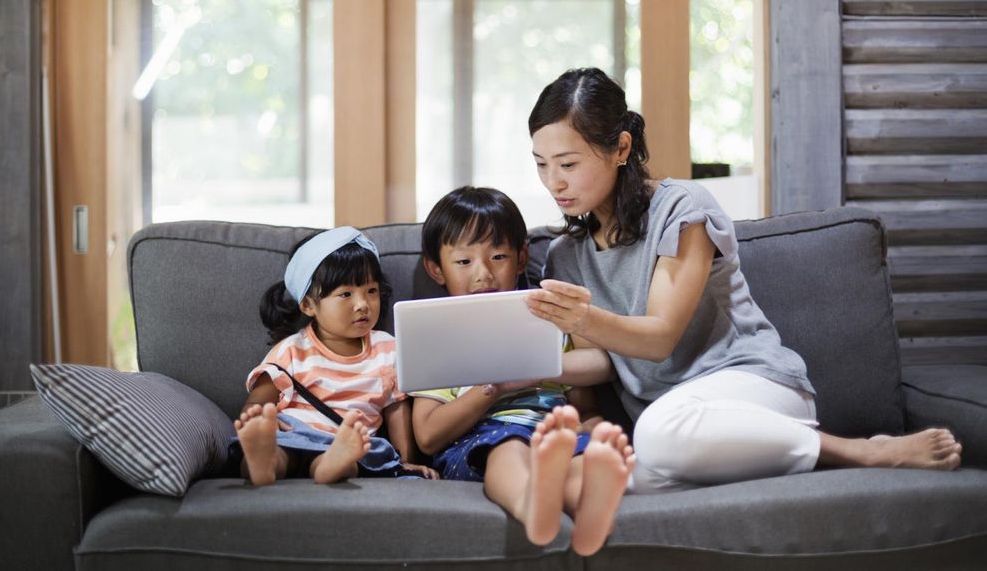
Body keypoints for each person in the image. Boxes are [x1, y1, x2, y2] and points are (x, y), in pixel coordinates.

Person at [523, 67, 962, 494]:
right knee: (624, 475)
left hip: (754, 388)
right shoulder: (566, 256)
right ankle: (747, 457)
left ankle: (858, 451)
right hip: (681, 425)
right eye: (542, 165)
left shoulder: (682, 209)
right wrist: (517, 373)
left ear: (621, 148)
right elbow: (603, 362)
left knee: (656, 436)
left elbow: (658, 339)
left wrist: (582, 318)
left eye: (568, 163)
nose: (553, 182)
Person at [411, 186, 634, 557]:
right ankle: (529, 503)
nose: (483, 274)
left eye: (497, 256)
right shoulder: (437, 333)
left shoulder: (548, 321)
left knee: (579, 456)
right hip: (484, 438)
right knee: (508, 447)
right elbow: (428, 436)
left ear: (520, 258)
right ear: (436, 268)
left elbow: (587, 402)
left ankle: (589, 511)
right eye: (464, 262)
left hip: (555, 433)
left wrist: (594, 429)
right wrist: (492, 387)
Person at [235, 226, 438, 486]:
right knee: (279, 452)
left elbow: (397, 409)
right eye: (345, 294)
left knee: (352, 462)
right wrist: (259, 422)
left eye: (371, 291)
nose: (363, 304)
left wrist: (404, 459)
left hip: (347, 443)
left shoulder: (387, 349)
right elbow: (260, 399)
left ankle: (329, 466)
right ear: (308, 305)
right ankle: (263, 462)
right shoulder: (292, 350)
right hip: (291, 433)